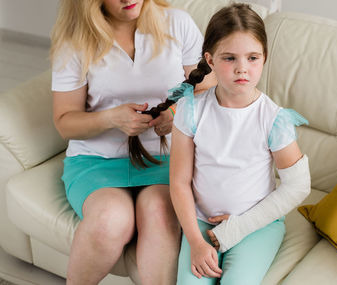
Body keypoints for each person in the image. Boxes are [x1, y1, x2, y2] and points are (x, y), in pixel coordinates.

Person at [50, 0, 215, 284]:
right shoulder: (75, 41)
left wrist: (176, 113)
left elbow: (209, 89)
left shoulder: (177, 23)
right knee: (109, 221)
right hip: (97, 161)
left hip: (168, 159)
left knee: (161, 212)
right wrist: (110, 119)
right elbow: (65, 122)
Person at [169, 4, 311, 284]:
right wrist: (196, 242)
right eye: (230, 58)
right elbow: (178, 182)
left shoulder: (273, 119)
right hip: (200, 222)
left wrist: (238, 228)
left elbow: (298, 186)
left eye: (252, 58)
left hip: (256, 228)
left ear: (264, 58)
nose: (242, 68)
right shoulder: (191, 110)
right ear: (209, 60)